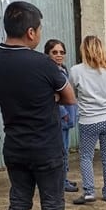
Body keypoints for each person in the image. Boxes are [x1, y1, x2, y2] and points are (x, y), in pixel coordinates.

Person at [0, 1, 93, 210]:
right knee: (52, 204)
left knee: (18, 202)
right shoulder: (42, 63)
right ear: (31, 32)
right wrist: (51, 97)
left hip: (14, 145)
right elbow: (69, 98)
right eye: (40, 29)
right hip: (46, 146)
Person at [70, 36, 106, 205]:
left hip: (88, 121)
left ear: (83, 50)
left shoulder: (76, 71)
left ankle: (89, 192)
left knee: (86, 156)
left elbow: (70, 92)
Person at [44, 39, 79, 193]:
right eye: (55, 52)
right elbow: (53, 96)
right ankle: (61, 182)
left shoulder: (62, 70)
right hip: (59, 119)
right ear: (47, 54)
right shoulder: (50, 71)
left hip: (67, 118)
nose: (59, 55)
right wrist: (64, 114)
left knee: (64, 150)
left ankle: (63, 178)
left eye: (61, 52)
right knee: (61, 151)